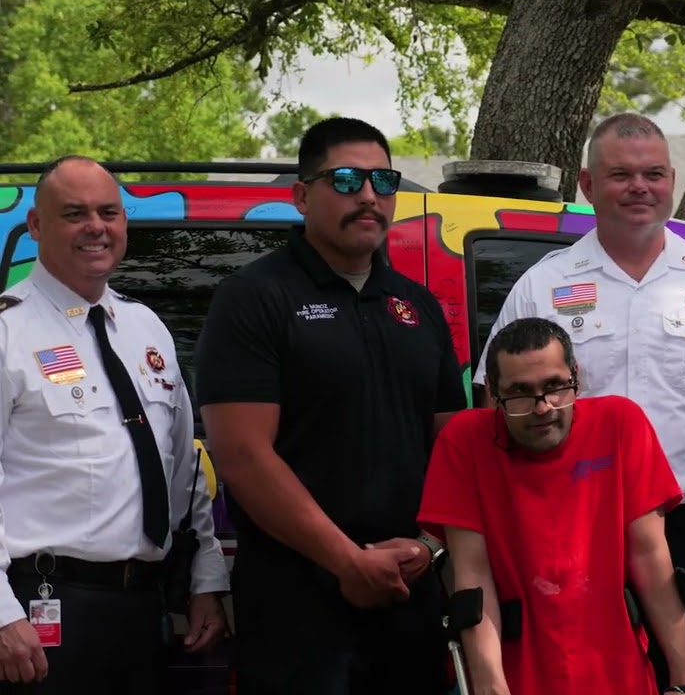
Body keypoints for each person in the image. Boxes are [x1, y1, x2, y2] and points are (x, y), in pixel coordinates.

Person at [474, 113, 685, 695]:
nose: (640, 187)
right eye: (620, 174)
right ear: (589, 186)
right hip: (569, 539)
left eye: (654, 174)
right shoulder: (543, 285)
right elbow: (498, 411)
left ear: (671, 180)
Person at [195, 117, 467, 693]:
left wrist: (427, 544)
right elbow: (243, 455)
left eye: (383, 181)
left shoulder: (418, 306)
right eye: (345, 180)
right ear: (300, 195)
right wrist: (347, 561)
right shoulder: (253, 298)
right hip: (298, 607)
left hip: (409, 593)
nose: (368, 196)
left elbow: (455, 449)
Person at [0, 156, 228, 694]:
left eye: (109, 212)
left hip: (140, 609)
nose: (96, 227)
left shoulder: (147, 328)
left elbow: (182, 467)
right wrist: (1, 614)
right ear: (36, 226)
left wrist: (204, 579)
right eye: (74, 213)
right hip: (41, 609)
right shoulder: (9, 332)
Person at [419, 317, 685, 694]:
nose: (542, 407)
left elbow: (652, 560)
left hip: (618, 671)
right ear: (492, 391)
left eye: (555, 387)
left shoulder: (620, 423)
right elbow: (472, 577)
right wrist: (490, 685)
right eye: (520, 393)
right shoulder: (465, 442)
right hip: (516, 672)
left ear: (576, 377)